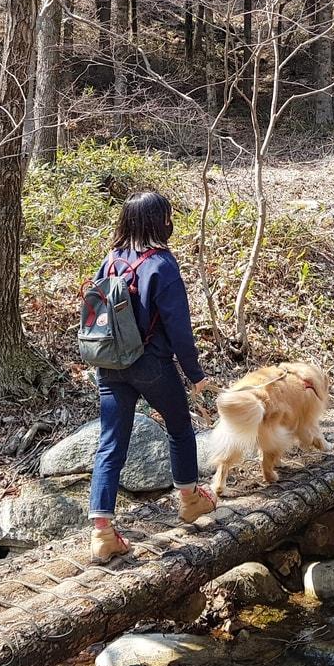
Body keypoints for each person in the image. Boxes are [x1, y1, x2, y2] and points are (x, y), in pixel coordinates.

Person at [87, 190, 217, 563]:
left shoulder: (110, 260)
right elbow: (179, 327)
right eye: (167, 216)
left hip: (109, 364)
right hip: (151, 365)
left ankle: (102, 534)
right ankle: (191, 500)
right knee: (178, 427)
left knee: (111, 443)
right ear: (159, 220)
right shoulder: (161, 264)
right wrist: (195, 374)